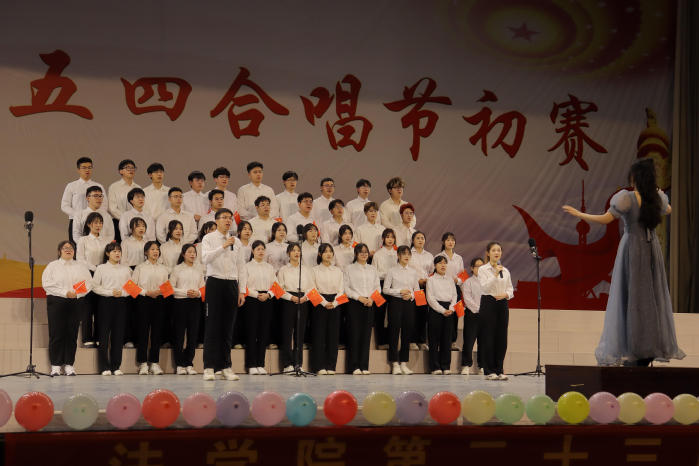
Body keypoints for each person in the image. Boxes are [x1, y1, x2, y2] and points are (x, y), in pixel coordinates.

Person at [562, 158, 684, 366]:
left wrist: (580, 214)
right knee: (650, 298)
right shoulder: (655, 199)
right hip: (651, 249)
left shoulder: (627, 198)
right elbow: (669, 209)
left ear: (635, 178)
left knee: (630, 297)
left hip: (633, 248)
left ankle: (634, 347)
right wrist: (656, 192)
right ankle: (647, 347)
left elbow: (606, 219)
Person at [200, 208, 246, 381]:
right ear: (217, 220)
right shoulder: (209, 238)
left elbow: (241, 267)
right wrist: (223, 246)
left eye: (230, 218)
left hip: (231, 284)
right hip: (215, 282)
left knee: (228, 327)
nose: (228, 221)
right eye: (224, 218)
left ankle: (225, 366)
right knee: (212, 326)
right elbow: (205, 258)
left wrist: (242, 290)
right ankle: (209, 367)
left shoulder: (237, 242)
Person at [42, 240, 92, 376]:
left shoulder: (81, 266)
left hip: (75, 301)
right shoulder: (53, 266)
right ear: (59, 251)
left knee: (72, 333)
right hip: (56, 301)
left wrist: (76, 293)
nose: (68, 249)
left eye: (71, 248)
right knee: (56, 333)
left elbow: (88, 283)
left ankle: (69, 365)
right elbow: (47, 284)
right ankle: (56, 365)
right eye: (65, 248)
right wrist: (65, 292)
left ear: (74, 251)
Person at [92, 242, 131, 376]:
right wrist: (110, 292)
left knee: (118, 335)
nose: (117, 253)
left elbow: (131, 287)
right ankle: (104, 367)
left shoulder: (126, 269)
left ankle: (116, 366)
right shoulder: (101, 268)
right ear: (107, 253)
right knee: (103, 335)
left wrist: (123, 293)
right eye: (114, 251)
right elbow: (95, 286)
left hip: (121, 302)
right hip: (105, 302)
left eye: (119, 251)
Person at [477, 241, 514, 380]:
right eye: (493, 250)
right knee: (488, 336)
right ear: (488, 253)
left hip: (502, 303)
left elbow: (510, 289)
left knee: (501, 337)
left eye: (499, 250)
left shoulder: (505, 270)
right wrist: (495, 274)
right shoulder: (483, 269)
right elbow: (484, 287)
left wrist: (506, 294)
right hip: (489, 302)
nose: (497, 253)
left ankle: (499, 369)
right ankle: (489, 370)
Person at [132, 241, 169, 375]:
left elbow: (167, 287)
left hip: (159, 300)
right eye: (152, 249)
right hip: (144, 300)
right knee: (143, 331)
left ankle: (154, 363)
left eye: (157, 249)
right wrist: (146, 292)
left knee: (157, 332)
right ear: (146, 252)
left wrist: (159, 292)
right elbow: (131, 286)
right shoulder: (140, 267)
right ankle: (142, 363)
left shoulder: (163, 268)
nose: (155, 251)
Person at [239, 240, 276, 375]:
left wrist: (269, 294)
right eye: (258, 249)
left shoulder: (269, 267)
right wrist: (256, 294)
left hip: (266, 299)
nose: (261, 251)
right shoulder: (247, 266)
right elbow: (243, 285)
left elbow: (275, 285)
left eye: (262, 249)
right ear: (253, 251)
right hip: (252, 300)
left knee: (263, 332)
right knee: (252, 332)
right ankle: (251, 365)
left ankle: (261, 363)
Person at [276, 242, 314, 372]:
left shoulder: (306, 270)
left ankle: (298, 363)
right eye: (293, 250)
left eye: (298, 250)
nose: (297, 253)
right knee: (287, 333)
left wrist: (305, 297)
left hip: (303, 299)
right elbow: (279, 289)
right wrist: (291, 297)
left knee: (300, 333)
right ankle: (287, 364)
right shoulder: (283, 269)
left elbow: (312, 287)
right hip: (288, 300)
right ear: (288, 253)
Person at [343, 243, 380, 375]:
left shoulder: (372, 269)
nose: (364, 254)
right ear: (356, 254)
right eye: (361, 252)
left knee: (366, 335)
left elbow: (377, 287)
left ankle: (364, 365)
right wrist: (359, 298)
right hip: (354, 303)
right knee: (354, 334)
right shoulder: (349, 268)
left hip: (369, 303)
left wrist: (371, 299)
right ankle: (353, 366)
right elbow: (346, 288)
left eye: (366, 252)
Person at [383, 245, 420, 375]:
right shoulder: (392, 271)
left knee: (407, 333)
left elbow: (417, 291)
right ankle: (394, 363)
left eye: (408, 254)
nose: (406, 256)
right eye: (403, 254)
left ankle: (404, 363)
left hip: (409, 303)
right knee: (394, 332)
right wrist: (400, 291)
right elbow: (385, 289)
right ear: (398, 255)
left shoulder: (413, 272)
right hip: (395, 303)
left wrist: (411, 295)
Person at [76, 212, 110, 348]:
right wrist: (94, 268)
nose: (98, 225)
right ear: (89, 224)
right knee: (87, 307)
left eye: (100, 222)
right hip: (87, 274)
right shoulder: (83, 240)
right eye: (95, 222)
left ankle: (99, 337)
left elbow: (108, 257)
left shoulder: (106, 240)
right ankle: (87, 338)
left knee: (101, 307)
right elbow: (80, 259)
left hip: (102, 274)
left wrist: (101, 270)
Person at [171, 243, 205, 375]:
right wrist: (186, 292)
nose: (192, 254)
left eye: (194, 252)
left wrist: (198, 293)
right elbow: (171, 288)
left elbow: (203, 287)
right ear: (183, 254)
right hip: (180, 303)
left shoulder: (199, 269)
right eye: (189, 252)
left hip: (195, 303)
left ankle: (189, 363)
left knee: (193, 334)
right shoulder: (177, 269)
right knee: (179, 334)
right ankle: (179, 364)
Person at [310, 243, 344, 375]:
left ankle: (331, 366)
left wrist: (334, 303)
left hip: (335, 302)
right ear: (320, 254)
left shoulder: (338, 270)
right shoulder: (314, 270)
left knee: (333, 335)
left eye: (330, 251)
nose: (328, 254)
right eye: (325, 252)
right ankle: (318, 366)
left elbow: (341, 290)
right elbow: (312, 289)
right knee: (319, 335)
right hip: (319, 303)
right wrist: (324, 303)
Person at [61, 157, 106, 243]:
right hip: (76, 221)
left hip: (96, 222)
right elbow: (64, 205)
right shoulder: (71, 185)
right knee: (76, 246)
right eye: (84, 167)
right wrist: (78, 215)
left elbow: (104, 205)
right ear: (78, 169)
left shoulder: (98, 186)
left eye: (89, 167)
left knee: (96, 246)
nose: (87, 170)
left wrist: (95, 215)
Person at [426, 256, 457, 374]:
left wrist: (451, 308)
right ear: (435, 265)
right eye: (440, 263)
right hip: (436, 310)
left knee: (447, 339)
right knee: (434, 340)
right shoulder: (431, 280)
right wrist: (442, 310)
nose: (443, 265)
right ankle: (435, 367)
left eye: (445, 263)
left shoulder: (450, 279)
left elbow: (454, 295)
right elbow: (430, 298)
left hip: (449, 309)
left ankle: (446, 366)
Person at [436, 232, 466, 349]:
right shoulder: (438, 256)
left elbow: (463, 276)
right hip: (441, 288)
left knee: (454, 315)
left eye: (452, 240)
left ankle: (452, 341)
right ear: (443, 242)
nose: (450, 242)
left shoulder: (459, 258)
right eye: (448, 240)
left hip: (456, 289)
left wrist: (457, 280)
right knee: (442, 313)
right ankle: (440, 340)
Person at [372, 229, 397, 349]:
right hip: (380, 285)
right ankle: (381, 342)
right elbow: (373, 272)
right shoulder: (377, 254)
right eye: (387, 237)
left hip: (394, 286)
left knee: (393, 315)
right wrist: (387, 274)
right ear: (383, 239)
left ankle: (391, 342)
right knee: (379, 314)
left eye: (392, 237)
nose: (390, 239)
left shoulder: (397, 254)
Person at [409, 231, 433, 351]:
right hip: (413, 287)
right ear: (413, 240)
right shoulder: (408, 253)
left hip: (425, 288)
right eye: (418, 238)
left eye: (422, 238)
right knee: (413, 314)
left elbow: (432, 272)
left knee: (423, 314)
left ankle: (422, 340)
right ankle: (412, 340)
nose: (420, 240)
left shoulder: (429, 255)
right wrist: (417, 280)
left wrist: (427, 280)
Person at [460, 257, 484, 375]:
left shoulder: (488, 282)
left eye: (482, 266)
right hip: (472, 314)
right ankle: (466, 365)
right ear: (472, 268)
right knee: (469, 341)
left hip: (485, 315)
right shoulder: (468, 282)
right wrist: (479, 309)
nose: (480, 269)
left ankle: (482, 366)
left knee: (484, 342)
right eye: (477, 266)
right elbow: (467, 299)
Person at [107, 159, 141, 241]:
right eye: (128, 168)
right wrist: (126, 219)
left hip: (136, 224)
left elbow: (141, 206)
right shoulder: (114, 187)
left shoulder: (138, 187)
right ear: (121, 171)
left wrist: (135, 220)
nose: (131, 170)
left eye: (133, 168)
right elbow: (112, 208)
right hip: (118, 222)